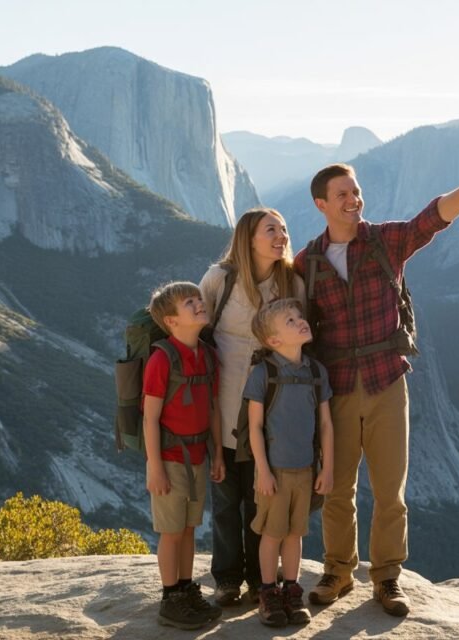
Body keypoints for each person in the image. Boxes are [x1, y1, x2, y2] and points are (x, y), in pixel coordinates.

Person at [296, 162, 459, 616]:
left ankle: (387, 578)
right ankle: (337, 571)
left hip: (386, 382)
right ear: (321, 205)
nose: (354, 200)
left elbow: (432, 219)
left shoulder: (385, 241)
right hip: (336, 390)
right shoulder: (307, 263)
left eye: (356, 192)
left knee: (390, 489)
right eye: (343, 195)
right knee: (337, 489)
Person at [198, 208, 306, 606]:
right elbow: (198, 330)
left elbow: (301, 337)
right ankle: (227, 578)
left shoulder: (292, 282)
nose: (281, 236)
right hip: (224, 403)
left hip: (272, 405)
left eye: (284, 229)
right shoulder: (219, 279)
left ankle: (260, 577)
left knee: (261, 497)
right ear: (248, 237)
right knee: (226, 496)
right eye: (271, 230)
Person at [245, 298, 334, 627]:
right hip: (275, 472)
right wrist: (263, 471)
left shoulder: (316, 372)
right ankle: (268, 592)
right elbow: (253, 426)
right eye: (290, 321)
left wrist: (328, 467)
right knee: (271, 533)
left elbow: (325, 424)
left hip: (305, 469)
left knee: (295, 533)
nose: (300, 322)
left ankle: (291, 589)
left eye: (299, 317)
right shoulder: (263, 373)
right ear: (273, 341)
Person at [143, 281, 226, 630]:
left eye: (198, 299)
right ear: (171, 320)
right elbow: (149, 417)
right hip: (171, 457)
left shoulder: (206, 355)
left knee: (190, 527)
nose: (199, 305)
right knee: (172, 531)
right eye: (188, 303)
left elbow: (213, 410)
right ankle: (169, 597)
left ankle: (186, 588)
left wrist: (217, 453)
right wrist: (154, 467)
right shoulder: (162, 359)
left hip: (197, 456)